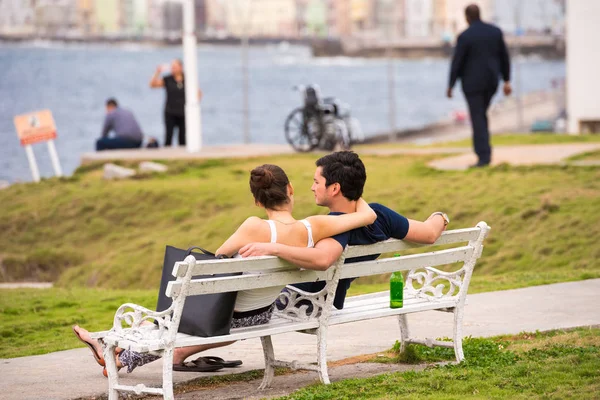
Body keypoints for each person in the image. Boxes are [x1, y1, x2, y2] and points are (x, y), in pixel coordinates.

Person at [72, 163, 377, 376]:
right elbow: (366, 215)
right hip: (260, 315)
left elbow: (218, 257)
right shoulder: (316, 225)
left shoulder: (254, 226)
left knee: (169, 317)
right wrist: (355, 188)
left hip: (228, 318)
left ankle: (112, 346)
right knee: (171, 323)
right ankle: (118, 356)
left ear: (257, 201)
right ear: (291, 189)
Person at [239, 151, 450, 311]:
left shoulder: (337, 226)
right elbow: (430, 233)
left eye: (316, 182)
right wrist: (441, 216)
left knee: (239, 308)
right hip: (318, 300)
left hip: (303, 303)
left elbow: (322, 259)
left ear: (334, 188)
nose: (312, 187)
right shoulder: (381, 215)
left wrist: (275, 248)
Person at [447, 4, 512, 168]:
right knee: (481, 115)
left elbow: (457, 63)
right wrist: (506, 80)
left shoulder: (464, 37)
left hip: (472, 84)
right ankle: (485, 152)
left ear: (467, 17)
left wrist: (451, 85)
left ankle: (483, 156)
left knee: (478, 117)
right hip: (491, 82)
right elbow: (504, 57)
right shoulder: (495, 32)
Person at [150, 59, 203, 147]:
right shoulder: (168, 79)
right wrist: (157, 72)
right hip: (170, 111)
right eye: (172, 67)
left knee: (183, 138)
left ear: (180, 67)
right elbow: (152, 84)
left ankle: (183, 155)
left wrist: (193, 105)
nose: (172, 69)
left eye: (174, 67)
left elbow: (198, 93)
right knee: (168, 136)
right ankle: (167, 155)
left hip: (184, 112)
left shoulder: (188, 79)